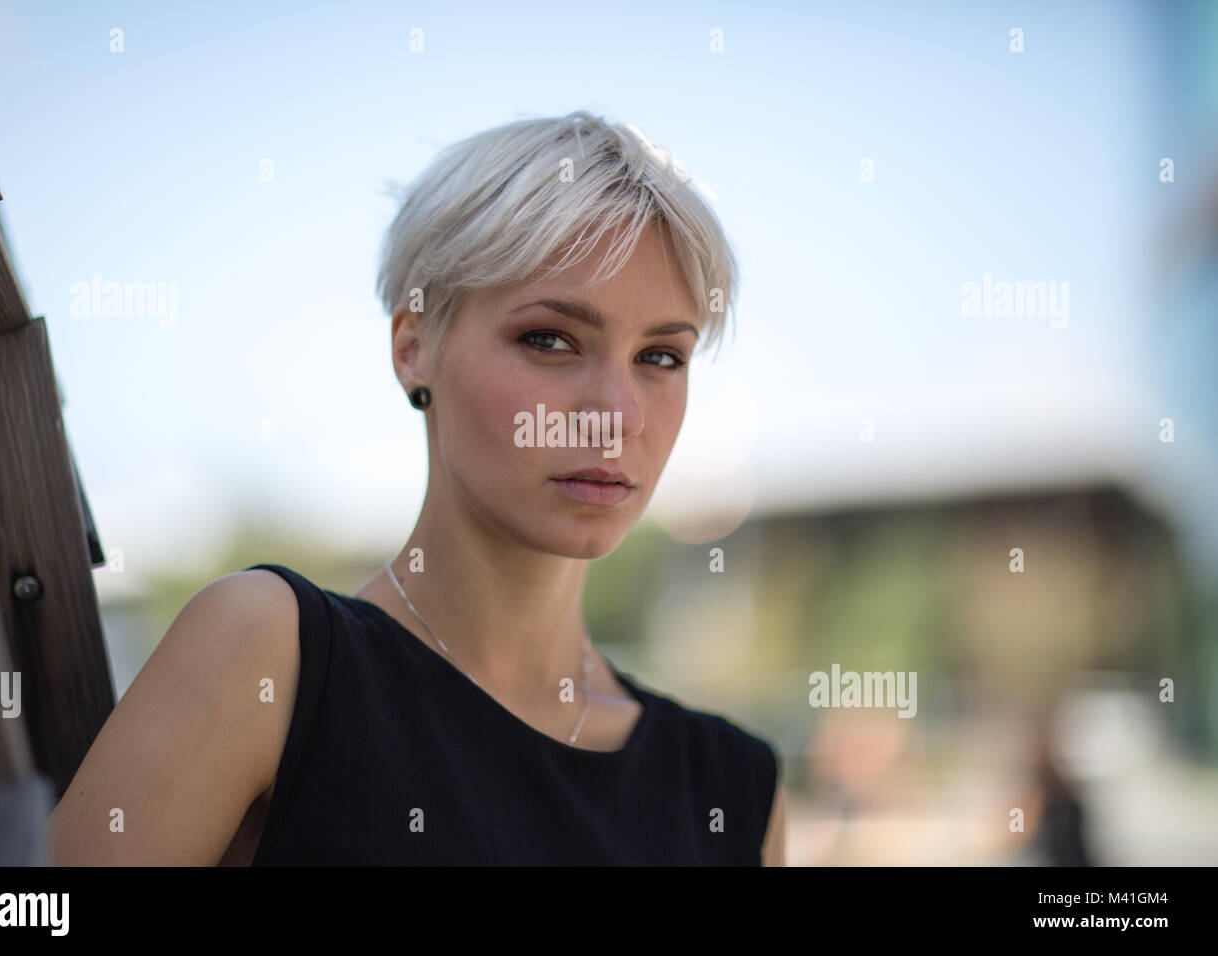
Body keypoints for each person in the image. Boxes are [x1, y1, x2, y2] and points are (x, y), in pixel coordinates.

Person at [49, 110, 787, 865]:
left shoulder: (734, 789)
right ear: (414, 346)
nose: (617, 416)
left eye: (662, 357)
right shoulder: (271, 656)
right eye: (550, 339)